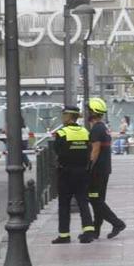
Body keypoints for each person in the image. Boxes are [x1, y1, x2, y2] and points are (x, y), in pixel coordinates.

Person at [50, 105, 95, 244]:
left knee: (64, 204)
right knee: (83, 201)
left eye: (64, 115)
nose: (62, 118)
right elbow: (89, 150)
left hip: (66, 172)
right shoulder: (85, 132)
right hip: (82, 171)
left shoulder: (61, 133)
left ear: (68, 117)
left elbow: (57, 152)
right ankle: (88, 232)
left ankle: (64, 235)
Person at [86, 98, 125, 239]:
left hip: (96, 172)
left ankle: (117, 223)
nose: (87, 112)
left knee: (94, 200)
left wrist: (89, 166)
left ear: (93, 112)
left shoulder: (96, 129)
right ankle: (96, 230)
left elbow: (95, 150)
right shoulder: (104, 128)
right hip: (104, 170)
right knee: (99, 200)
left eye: (89, 110)